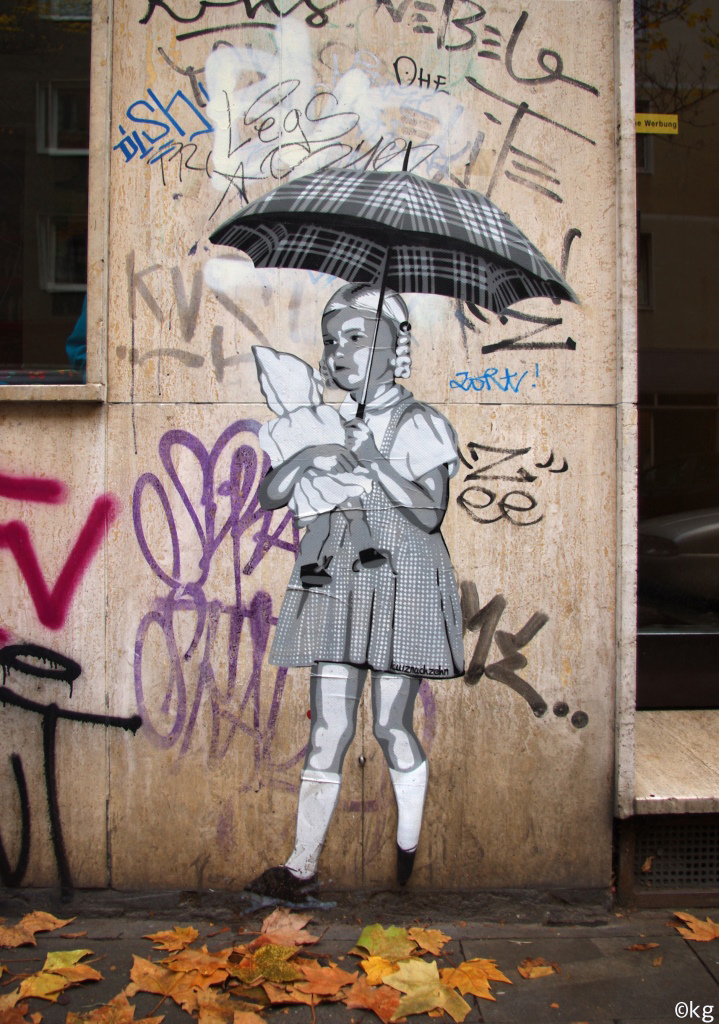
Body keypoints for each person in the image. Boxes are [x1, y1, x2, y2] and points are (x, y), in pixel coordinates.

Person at [246, 284, 464, 901]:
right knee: (329, 726)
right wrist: (316, 450)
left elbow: (430, 514)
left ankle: (408, 845)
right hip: (340, 585)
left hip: (401, 588)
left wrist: (375, 460)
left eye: (356, 338)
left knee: (391, 725)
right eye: (330, 341)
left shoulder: (420, 422)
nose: (339, 353)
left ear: (396, 346)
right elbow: (271, 494)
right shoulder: (328, 420)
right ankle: (301, 865)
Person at [253, 345, 388, 588]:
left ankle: (311, 565)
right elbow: (340, 438)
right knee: (353, 514)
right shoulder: (320, 414)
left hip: (319, 483)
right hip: (328, 480)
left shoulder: (280, 426)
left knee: (320, 527)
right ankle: (365, 550)